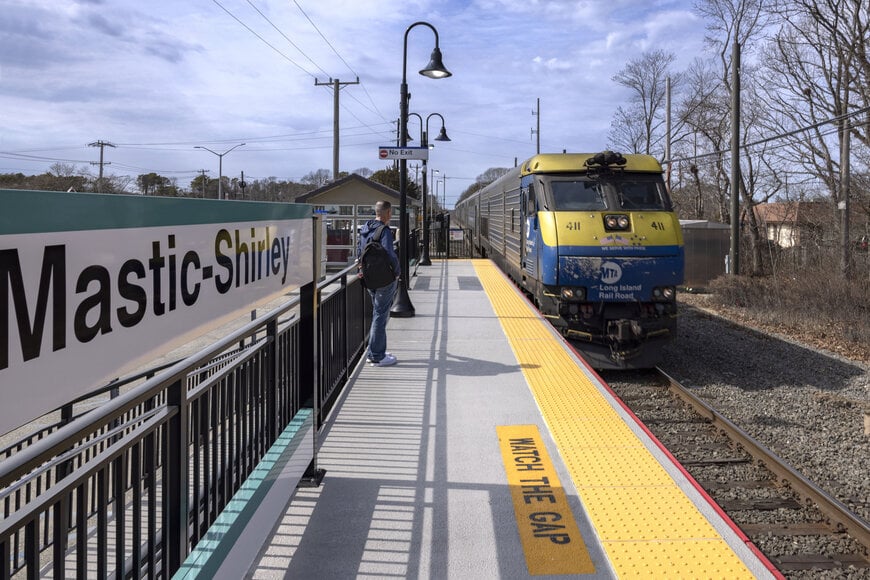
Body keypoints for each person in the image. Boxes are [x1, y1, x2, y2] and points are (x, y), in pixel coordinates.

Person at [357, 200, 400, 366]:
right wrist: (397, 272)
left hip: (368, 278)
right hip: (384, 279)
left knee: (377, 313)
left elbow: (360, 251)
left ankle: (377, 350)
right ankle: (376, 355)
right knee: (380, 315)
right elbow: (390, 253)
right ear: (388, 213)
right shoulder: (385, 231)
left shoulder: (365, 228)